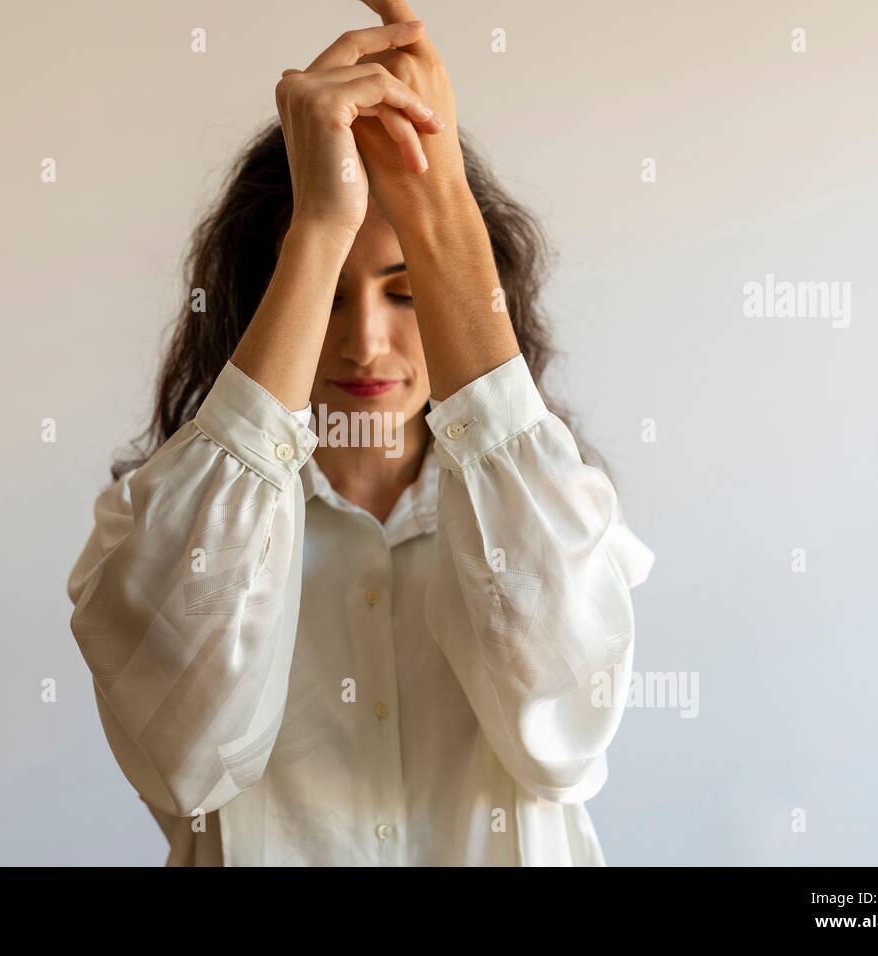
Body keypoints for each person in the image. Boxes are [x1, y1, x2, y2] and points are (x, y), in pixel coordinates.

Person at [66, 0, 654, 866]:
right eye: (328, 292)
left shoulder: (556, 517)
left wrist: (441, 205)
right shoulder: (158, 534)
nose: (366, 342)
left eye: (406, 289)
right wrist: (317, 223)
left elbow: (563, 738)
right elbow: (189, 761)